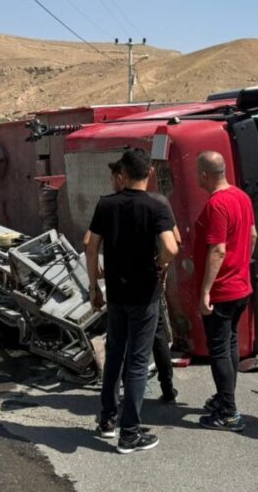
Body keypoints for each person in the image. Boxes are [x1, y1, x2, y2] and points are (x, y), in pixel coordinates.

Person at [86, 148, 178, 454]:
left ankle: (107, 420)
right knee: (138, 362)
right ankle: (130, 433)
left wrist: (93, 285)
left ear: (122, 173)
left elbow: (90, 244)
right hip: (145, 294)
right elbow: (172, 246)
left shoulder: (106, 204)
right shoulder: (157, 205)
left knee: (115, 356)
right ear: (150, 173)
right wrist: (161, 264)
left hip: (116, 293)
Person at [193, 151, 256, 432]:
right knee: (229, 343)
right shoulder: (241, 197)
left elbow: (217, 250)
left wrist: (205, 290)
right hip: (240, 285)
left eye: (197, 172)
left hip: (222, 289)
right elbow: (252, 235)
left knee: (219, 349)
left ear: (206, 175)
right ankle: (223, 397)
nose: (196, 177)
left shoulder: (216, 204)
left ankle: (229, 412)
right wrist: (242, 263)